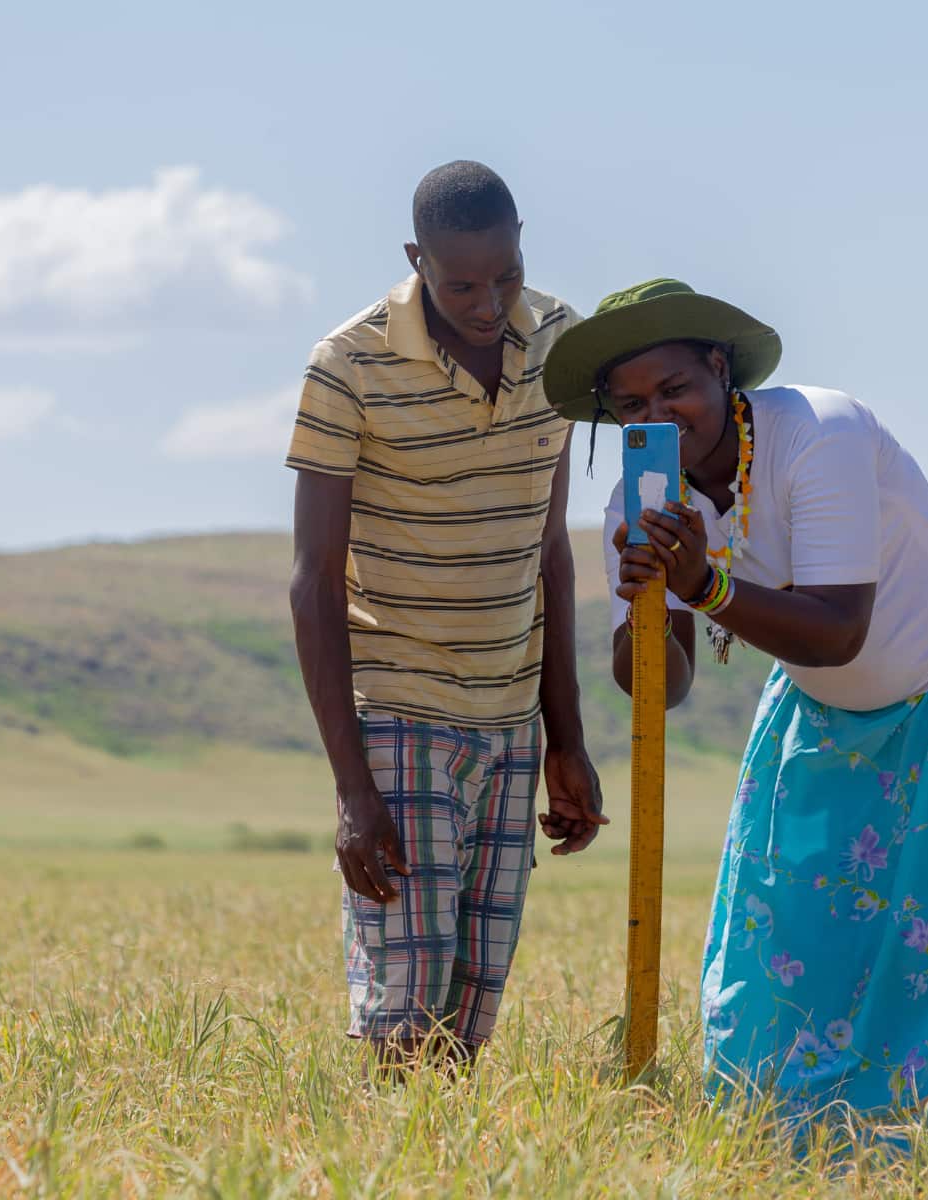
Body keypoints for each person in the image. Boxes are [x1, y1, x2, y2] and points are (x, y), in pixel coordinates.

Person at [544, 278, 928, 1135]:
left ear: (719, 369)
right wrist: (643, 605)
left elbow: (838, 630)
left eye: (675, 389)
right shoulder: (637, 506)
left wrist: (702, 585)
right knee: (775, 927)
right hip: (822, 707)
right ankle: (762, 1141)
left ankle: (881, 1154)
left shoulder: (821, 433)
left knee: (909, 950)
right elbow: (661, 687)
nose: (659, 416)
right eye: (630, 405)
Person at [286, 161, 607, 1064]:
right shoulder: (347, 365)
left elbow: (548, 550)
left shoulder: (561, 344)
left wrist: (566, 740)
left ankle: (438, 1163)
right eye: (463, 283)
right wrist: (352, 789)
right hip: (398, 709)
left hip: (509, 719)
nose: (488, 301)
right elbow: (314, 579)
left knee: (470, 1006)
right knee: (406, 1002)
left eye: (504, 276)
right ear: (414, 259)